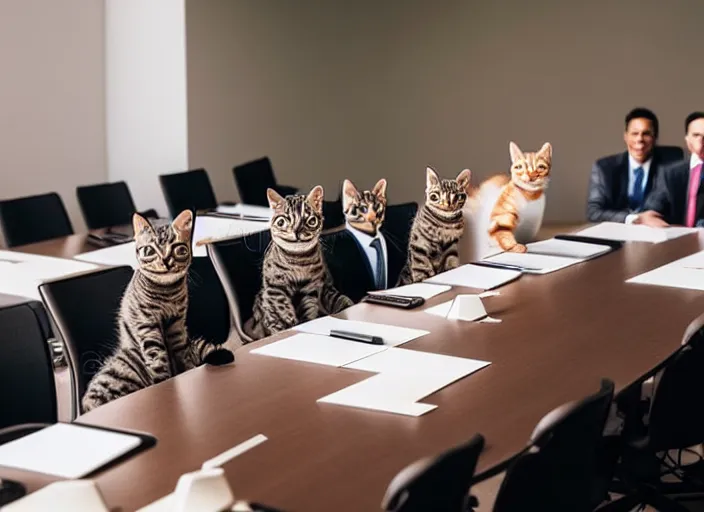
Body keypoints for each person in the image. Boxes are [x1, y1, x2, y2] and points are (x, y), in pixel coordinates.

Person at [586, 108, 684, 223]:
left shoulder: (671, 164)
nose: (639, 139)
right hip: (616, 232)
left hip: (656, 231)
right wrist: (635, 219)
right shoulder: (604, 168)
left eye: (646, 134)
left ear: (655, 138)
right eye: (634, 133)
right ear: (625, 136)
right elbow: (593, 212)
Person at [635, 112, 704, 226]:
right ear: (687, 139)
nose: (701, 141)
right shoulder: (670, 173)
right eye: (696, 135)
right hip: (676, 239)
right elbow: (651, 211)